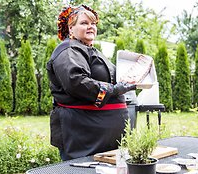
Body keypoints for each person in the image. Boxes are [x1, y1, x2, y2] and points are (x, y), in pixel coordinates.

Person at [46, 4, 136, 161]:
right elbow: (77, 82)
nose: (90, 27)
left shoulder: (89, 49)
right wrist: (114, 89)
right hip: (84, 135)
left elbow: (111, 79)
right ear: (70, 29)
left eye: (93, 23)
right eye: (84, 23)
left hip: (102, 137)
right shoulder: (68, 50)